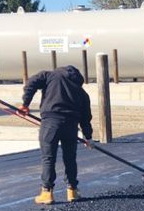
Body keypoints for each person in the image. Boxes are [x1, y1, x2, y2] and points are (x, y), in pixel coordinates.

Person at [19, 64, 93, 203]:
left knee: (48, 157)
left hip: (50, 123)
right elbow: (85, 117)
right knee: (70, 158)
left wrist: (25, 104)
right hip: (71, 126)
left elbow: (31, 83)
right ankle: (72, 191)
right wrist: (88, 137)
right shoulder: (81, 92)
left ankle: (47, 193)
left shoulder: (49, 76)